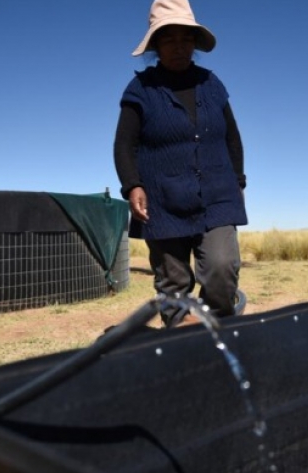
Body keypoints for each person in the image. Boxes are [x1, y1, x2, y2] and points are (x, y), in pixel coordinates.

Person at [114, 0, 247, 326]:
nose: (178, 46)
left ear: (194, 43)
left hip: (216, 195)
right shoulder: (141, 89)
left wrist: (238, 183)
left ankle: (217, 333)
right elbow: (123, 144)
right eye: (169, 39)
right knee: (173, 284)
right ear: (156, 45)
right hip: (162, 200)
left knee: (221, 267)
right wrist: (133, 185)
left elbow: (232, 137)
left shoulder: (211, 84)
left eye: (185, 38)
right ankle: (182, 347)